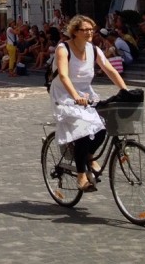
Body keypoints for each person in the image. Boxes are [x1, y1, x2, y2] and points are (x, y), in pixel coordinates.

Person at [49, 15, 128, 192]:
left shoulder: (94, 49)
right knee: (83, 133)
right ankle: (81, 176)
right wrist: (76, 96)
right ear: (75, 32)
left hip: (85, 94)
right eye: (85, 30)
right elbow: (63, 75)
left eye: (92, 29)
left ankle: (89, 156)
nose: (90, 32)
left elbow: (110, 69)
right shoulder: (63, 49)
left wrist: (125, 90)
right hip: (64, 94)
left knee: (101, 129)